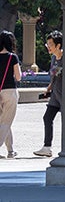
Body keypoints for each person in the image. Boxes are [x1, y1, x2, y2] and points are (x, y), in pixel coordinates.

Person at [34, 30, 63, 158]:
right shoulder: (53, 59)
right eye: (48, 44)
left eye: (50, 44)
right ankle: (47, 147)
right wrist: (49, 88)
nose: (48, 47)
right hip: (55, 95)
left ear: (58, 46)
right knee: (47, 118)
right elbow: (55, 75)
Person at [0, 30, 20, 159]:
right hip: (10, 91)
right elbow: (18, 77)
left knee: (4, 121)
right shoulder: (12, 57)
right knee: (6, 121)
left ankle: (11, 150)